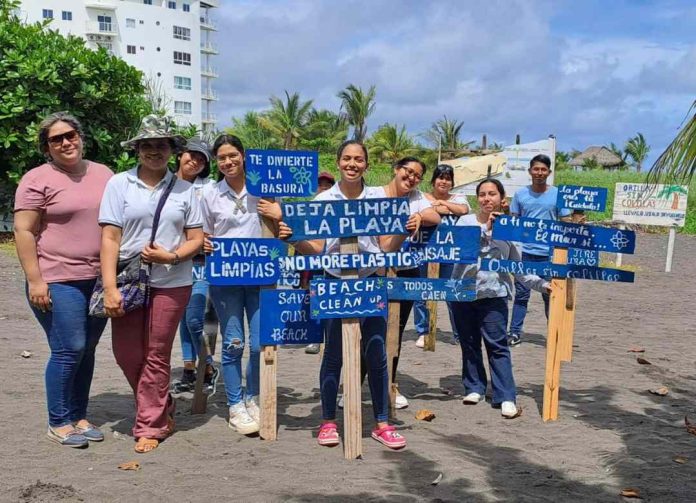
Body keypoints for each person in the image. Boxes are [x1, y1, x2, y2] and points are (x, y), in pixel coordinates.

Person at [277, 140, 410, 450]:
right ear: (338, 162)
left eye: (359, 159)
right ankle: (327, 422)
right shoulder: (323, 199)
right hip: (333, 282)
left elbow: (387, 246)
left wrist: (404, 229)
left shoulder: (378, 197)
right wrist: (296, 238)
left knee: (376, 354)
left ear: (366, 164)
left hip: (371, 283)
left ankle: (382, 423)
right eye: (347, 158)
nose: (353, 164)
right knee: (333, 356)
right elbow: (319, 249)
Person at [99, 115, 204, 453]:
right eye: (147, 145)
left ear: (172, 151)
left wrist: (171, 256)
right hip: (128, 279)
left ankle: (150, 424)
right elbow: (110, 239)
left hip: (172, 281)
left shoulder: (187, 191)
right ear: (137, 150)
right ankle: (162, 403)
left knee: (157, 354)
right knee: (127, 353)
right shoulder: (119, 184)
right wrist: (110, 287)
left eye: (161, 145)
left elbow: (196, 239)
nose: (154, 151)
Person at [14, 112, 113, 448]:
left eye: (70, 135)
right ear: (47, 147)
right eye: (56, 139)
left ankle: (79, 415)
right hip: (57, 278)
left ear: (81, 137)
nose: (66, 142)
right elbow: (24, 231)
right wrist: (36, 280)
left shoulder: (104, 174)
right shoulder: (36, 178)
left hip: (99, 279)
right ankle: (58, 421)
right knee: (69, 348)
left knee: (87, 350)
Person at [202, 134, 281, 435]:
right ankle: (235, 404)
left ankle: (253, 397)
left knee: (260, 343)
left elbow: (280, 229)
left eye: (233, 155)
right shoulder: (210, 193)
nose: (228, 162)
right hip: (226, 281)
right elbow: (203, 234)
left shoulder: (267, 191)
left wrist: (279, 215)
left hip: (262, 279)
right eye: (222, 158)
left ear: (244, 155)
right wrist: (205, 244)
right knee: (233, 343)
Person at [451, 178, 550, 418]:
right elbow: (456, 252)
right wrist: (487, 230)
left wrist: (542, 285)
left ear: (501, 199)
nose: (487, 198)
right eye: (482, 194)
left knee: (497, 344)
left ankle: (506, 395)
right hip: (462, 293)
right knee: (469, 342)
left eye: (492, 194)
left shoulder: (511, 229)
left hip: (495, 294)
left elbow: (517, 266)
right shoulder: (464, 222)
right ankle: (474, 387)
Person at [372, 157, 441, 409]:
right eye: (407, 171)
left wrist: (419, 216)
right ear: (396, 169)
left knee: (395, 333)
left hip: (406, 272)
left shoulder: (417, 197)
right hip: (375, 273)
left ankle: (389, 384)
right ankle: (354, 387)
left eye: (417, 175)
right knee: (366, 332)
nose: (411, 178)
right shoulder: (374, 194)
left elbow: (437, 216)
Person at [171, 137, 220, 395]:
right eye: (192, 155)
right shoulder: (165, 184)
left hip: (201, 262)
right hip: (171, 262)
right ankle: (189, 369)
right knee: (182, 317)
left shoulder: (209, 187)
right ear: (180, 155)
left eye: (202, 159)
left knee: (194, 317)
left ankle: (209, 366)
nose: (196, 161)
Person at [508, 154, 571, 346]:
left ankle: (554, 333)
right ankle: (515, 332)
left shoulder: (558, 195)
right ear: (530, 171)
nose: (539, 173)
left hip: (549, 254)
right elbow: (514, 221)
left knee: (550, 294)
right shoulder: (520, 195)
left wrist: (578, 223)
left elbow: (566, 222)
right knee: (522, 295)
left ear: (549, 172)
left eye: (543, 169)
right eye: (536, 169)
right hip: (524, 252)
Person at [414, 163, 470, 348]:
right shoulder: (420, 196)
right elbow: (418, 212)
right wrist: (440, 208)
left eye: (447, 178)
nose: (443, 181)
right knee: (422, 292)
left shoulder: (459, 197)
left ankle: (459, 332)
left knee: (452, 293)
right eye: (440, 177)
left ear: (452, 182)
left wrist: (441, 204)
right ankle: (424, 331)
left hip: (450, 253)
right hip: (423, 251)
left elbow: (463, 210)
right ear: (433, 180)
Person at [304, 170, 336, 355]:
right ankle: (315, 338)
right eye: (320, 185)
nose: (323, 188)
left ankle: (331, 339)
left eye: (327, 185)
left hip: (333, 263)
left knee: (331, 301)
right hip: (314, 264)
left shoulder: (339, 209)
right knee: (315, 301)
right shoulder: (309, 209)